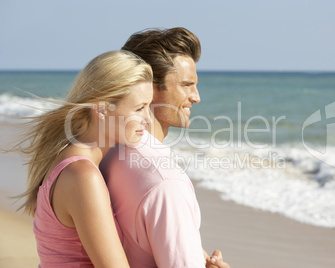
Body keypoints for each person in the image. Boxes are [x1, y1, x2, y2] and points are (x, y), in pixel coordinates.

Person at [9, 50, 153, 267]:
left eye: (149, 106)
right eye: (140, 108)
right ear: (102, 109)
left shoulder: (71, 160)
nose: (148, 119)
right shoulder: (83, 176)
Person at [100, 28, 230, 267]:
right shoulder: (166, 183)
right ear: (149, 87)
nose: (196, 96)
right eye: (187, 84)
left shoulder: (108, 155)